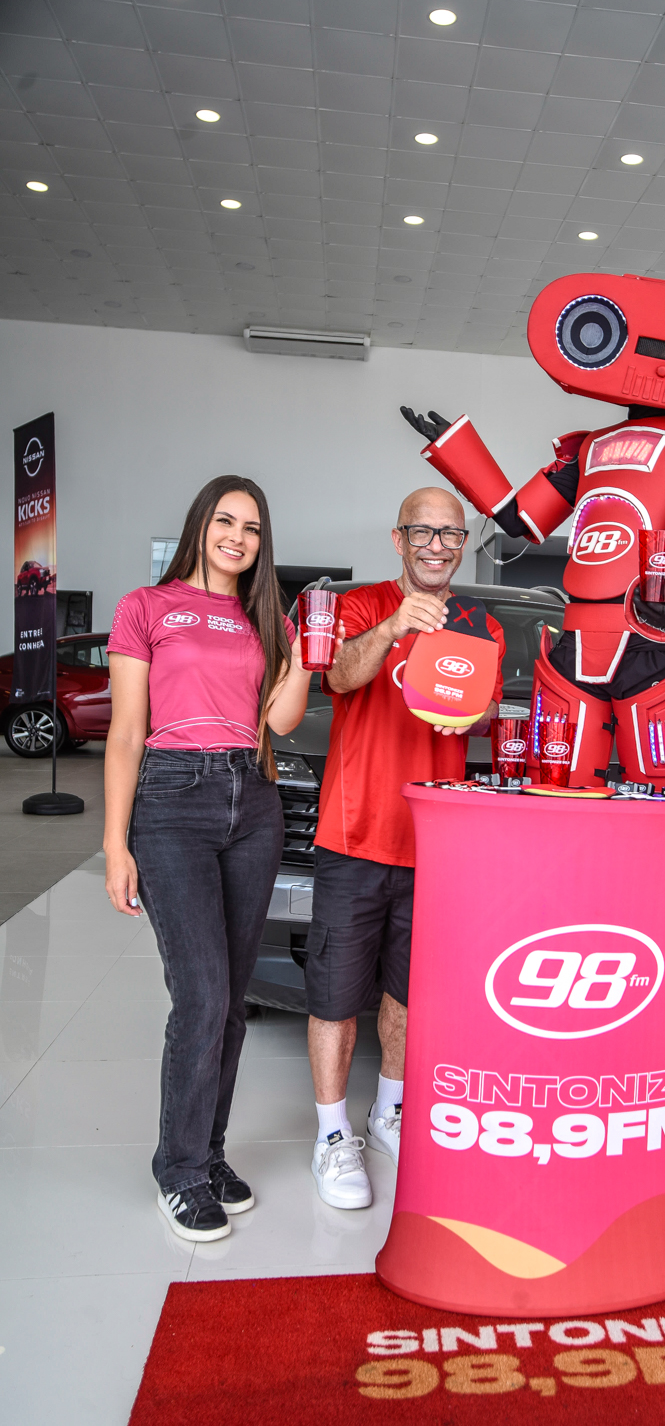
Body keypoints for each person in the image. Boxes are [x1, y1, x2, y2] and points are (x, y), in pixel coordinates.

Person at [104, 476, 321, 1242]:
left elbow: (280, 721)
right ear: (200, 524)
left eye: (252, 528)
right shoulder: (146, 607)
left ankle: (209, 1153)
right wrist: (115, 843)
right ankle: (179, 1170)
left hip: (252, 801)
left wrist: (306, 653)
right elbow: (126, 732)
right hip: (171, 801)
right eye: (225, 520)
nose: (237, 536)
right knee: (199, 996)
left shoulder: (265, 620)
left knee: (229, 1001)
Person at [306, 486, 505, 1209]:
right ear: (399, 540)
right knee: (334, 997)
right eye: (422, 532)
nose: (436, 546)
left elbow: (484, 706)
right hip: (354, 834)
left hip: (434, 844)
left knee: (409, 992)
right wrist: (396, 624)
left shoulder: (482, 624)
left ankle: (388, 1112)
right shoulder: (361, 605)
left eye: (449, 534)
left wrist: (473, 717)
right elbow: (337, 676)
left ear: (463, 544)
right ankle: (332, 1135)